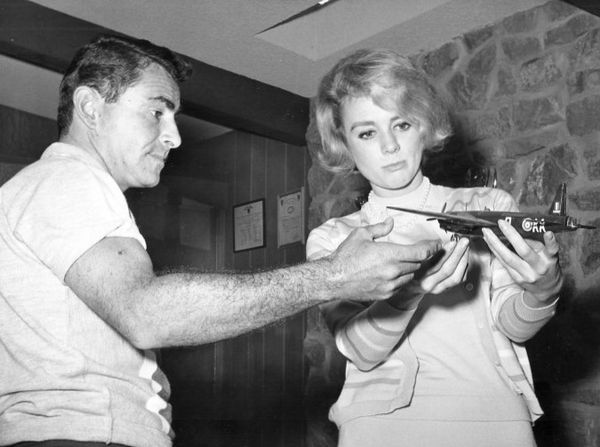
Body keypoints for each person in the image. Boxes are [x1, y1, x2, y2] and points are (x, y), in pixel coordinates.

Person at [0, 36, 443, 447]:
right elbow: (145, 313)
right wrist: (335, 275)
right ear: (90, 107)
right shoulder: (67, 179)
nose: (174, 136)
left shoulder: (56, 189)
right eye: (157, 111)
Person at [306, 48, 563, 447]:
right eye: (367, 132)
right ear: (344, 143)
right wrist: (412, 292)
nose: (389, 146)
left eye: (402, 124)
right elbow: (361, 351)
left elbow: (513, 324)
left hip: (494, 418)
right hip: (381, 428)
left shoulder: (486, 208)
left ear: (423, 125)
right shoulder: (334, 239)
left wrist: (542, 292)